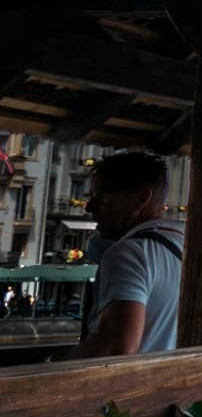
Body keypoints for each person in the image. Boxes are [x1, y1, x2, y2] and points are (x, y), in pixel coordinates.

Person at [71, 151, 183, 357]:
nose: (89, 207)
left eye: (100, 197)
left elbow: (116, 348)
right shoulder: (186, 242)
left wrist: (54, 362)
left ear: (140, 199)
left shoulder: (128, 253)